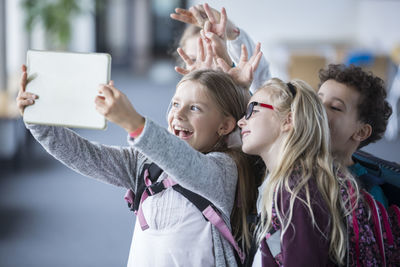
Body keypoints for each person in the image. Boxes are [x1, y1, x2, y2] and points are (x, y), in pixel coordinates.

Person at [16, 49, 259, 266]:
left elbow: (187, 165)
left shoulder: (225, 170)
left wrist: (134, 123)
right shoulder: (145, 164)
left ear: (225, 125)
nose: (179, 115)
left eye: (195, 108)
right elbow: (84, 155)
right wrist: (39, 120)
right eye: (175, 104)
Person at [237, 78, 356, 266]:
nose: (241, 121)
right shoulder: (286, 184)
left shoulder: (298, 190)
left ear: (288, 120)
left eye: (253, 110)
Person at [318, 64, 397, 207]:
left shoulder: (369, 194)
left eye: (335, 107)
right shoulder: (297, 161)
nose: (319, 109)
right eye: (317, 101)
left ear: (361, 132)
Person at [171, 3, 271, 93]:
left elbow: (264, 90)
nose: (203, 67)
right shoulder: (181, 102)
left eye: (211, 56)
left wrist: (232, 32)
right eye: (192, 59)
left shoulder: (240, 100)